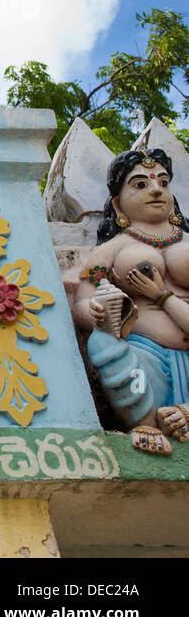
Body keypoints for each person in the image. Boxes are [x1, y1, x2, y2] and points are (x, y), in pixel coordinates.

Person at [74, 148, 189, 455]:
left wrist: (161, 296)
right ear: (117, 203)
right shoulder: (112, 249)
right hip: (144, 354)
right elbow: (82, 302)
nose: (155, 190)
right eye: (140, 184)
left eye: (163, 183)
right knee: (102, 343)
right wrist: (98, 313)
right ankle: (148, 423)